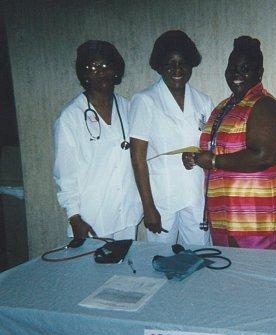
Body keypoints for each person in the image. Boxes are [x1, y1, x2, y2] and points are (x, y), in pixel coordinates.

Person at [183, 36, 276, 250]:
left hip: (258, 220)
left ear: (259, 73)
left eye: (245, 69)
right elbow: (221, 147)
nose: (237, 74)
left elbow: (264, 156)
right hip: (226, 216)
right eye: (232, 68)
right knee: (232, 281)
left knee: (259, 281)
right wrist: (197, 157)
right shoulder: (224, 106)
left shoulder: (264, 105)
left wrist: (215, 161)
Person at [130, 30, 212, 245]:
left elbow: (211, 147)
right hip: (161, 197)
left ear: (191, 64)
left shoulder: (203, 101)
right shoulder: (145, 100)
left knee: (200, 257)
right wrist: (148, 206)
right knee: (161, 261)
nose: (177, 69)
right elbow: (137, 157)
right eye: (170, 64)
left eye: (183, 63)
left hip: (195, 194)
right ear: (159, 66)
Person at [53, 40, 142, 240]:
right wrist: (74, 217)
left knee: (125, 269)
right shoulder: (70, 117)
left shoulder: (129, 108)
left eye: (105, 65)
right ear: (83, 75)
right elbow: (65, 174)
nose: (100, 72)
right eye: (91, 67)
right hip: (92, 218)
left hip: (127, 213)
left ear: (115, 70)